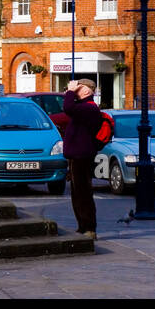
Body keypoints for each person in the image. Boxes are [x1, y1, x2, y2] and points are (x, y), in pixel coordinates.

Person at [62, 77, 102, 239]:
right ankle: (82, 226)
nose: (73, 88)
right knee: (77, 194)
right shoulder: (83, 107)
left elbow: (68, 108)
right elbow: (69, 108)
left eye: (78, 87)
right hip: (76, 156)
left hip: (82, 156)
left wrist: (71, 92)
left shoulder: (90, 108)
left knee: (83, 193)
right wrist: (71, 92)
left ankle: (89, 228)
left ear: (86, 91)